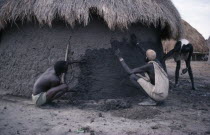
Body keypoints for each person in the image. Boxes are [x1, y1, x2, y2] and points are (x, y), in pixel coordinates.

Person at [111, 39, 169, 106]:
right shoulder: (157, 62)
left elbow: (129, 71)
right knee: (142, 76)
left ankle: (152, 100)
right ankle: (155, 97)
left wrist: (120, 57)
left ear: (147, 57)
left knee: (132, 76)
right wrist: (137, 44)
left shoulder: (149, 66)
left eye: (146, 56)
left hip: (158, 96)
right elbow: (146, 54)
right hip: (163, 94)